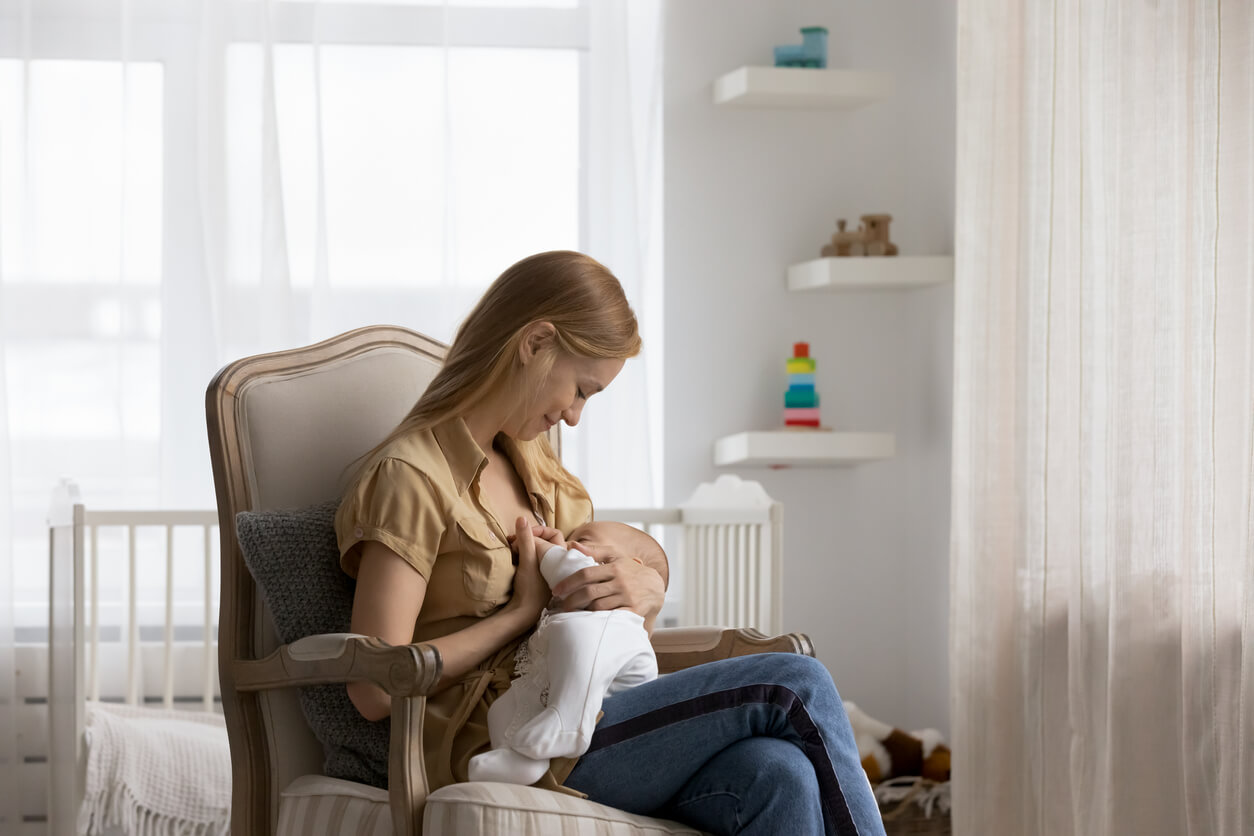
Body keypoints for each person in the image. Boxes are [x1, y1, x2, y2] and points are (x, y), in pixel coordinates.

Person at [334, 250, 885, 835]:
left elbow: (604, 641)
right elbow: (373, 686)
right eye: (580, 390)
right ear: (536, 341)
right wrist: (519, 614)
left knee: (778, 772)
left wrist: (645, 591)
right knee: (796, 682)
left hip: (594, 720)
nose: (573, 417)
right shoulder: (412, 475)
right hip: (502, 742)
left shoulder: (547, 480)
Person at [467, 521, 664, 786]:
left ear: (629, 567)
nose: (569, 544)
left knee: (577, 634)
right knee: (502, 709)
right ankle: (519, 759)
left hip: (616, 653)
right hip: (560, 674)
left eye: (584, 539)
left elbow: (570, 569)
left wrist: (536, 545)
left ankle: (569, 725)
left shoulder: (603, 591)